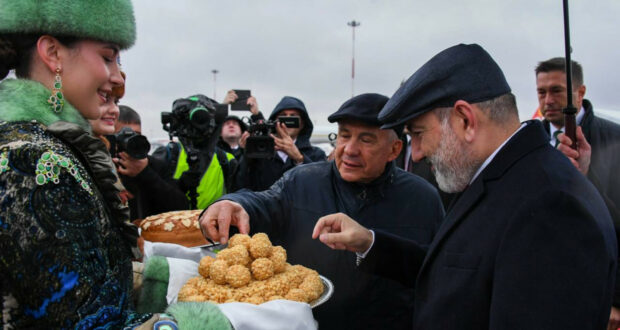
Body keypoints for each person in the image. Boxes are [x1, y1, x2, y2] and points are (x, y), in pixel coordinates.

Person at [312, 44, 617, 329]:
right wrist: (368, 242)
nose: (415, 152)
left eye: (417, 133)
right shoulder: (500, 176)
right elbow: (455, 270)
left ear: (465, 120)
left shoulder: (552, 208)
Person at [0, 1, 231, 328]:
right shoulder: (35, 161)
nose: (115, 75)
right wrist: (221, 322)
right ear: (52, 53)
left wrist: (161, 277)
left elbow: (85, 282)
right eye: (108, 57)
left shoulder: (45, 146)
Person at [200, 93, 445, 329]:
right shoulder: (302, 181)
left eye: (366, 140)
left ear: (394, 150)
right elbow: (264, 202)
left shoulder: (423, 199)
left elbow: (437, 274)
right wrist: (234, 203)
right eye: (344, 136)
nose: (349, 149)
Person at [536, 57, 620, 329]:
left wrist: (617, 298)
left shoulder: (615, 140)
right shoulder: (527, 141)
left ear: (580, 92)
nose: (548, 100)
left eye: (556, 90)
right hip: (543, 292)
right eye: (541, 92)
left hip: (599, 293)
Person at [150, 94, 237, 210]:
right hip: (173, 225)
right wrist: (179, 186)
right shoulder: (169, 154)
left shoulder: (226, 160)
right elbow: (151, 196)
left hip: (214, 225)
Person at [234, 96, 326, 191]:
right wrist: (247, 154)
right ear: (275, 122)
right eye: (283, 116)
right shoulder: (260, 152)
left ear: (302, 124)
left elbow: (321, 187)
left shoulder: (316, 154)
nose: (287, 121)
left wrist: (299, 158)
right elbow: (240, 185)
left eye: (293, 116)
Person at [113, 105, 189, 220]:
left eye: (136, 135)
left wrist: (144, 173)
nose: (130, 141)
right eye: (122, 135)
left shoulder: (155, 165)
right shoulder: (103, 166)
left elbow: (180, 207)